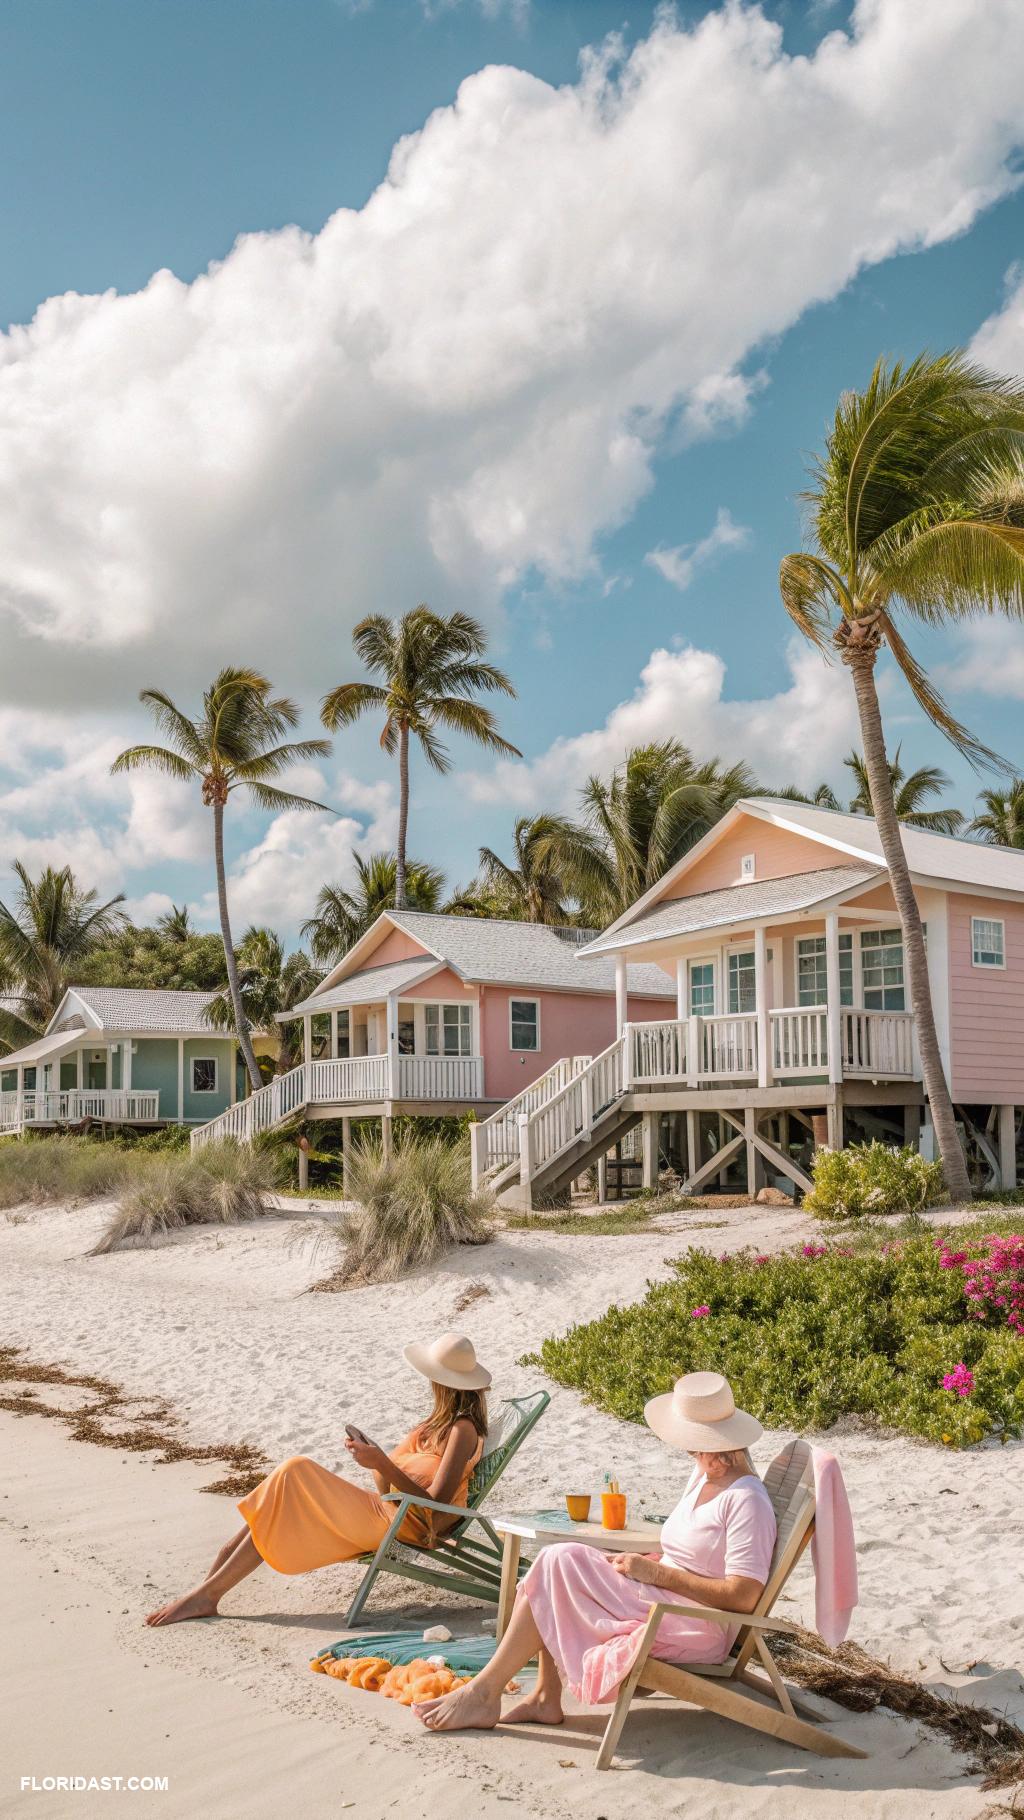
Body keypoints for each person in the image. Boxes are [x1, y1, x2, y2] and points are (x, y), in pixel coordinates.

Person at [414, 1370, 776, 1732]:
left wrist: (656, 1574)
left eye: (695, 1445)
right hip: (662, 1596)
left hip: (692, 1622)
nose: (692, 1453)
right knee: (560, 1557)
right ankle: (540, 1697)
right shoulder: (705, 1476)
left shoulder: (746, 1501)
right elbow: (688, 1555)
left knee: (558, 1562)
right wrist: (638, 1565)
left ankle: (486, 1694)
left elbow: (743, 1597)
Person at [144, 1332, 490, 1626]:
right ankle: (210, 1588)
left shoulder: (462, 1430)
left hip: (413, 1524)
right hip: (390, 1511)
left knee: (296, 1470)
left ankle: (211, 1585)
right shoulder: (428, 1429)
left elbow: (437, 1501)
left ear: (440, 1382)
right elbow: (386, 1487)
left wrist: (382, 1463)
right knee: (290, 1484)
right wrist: (373, 1463)